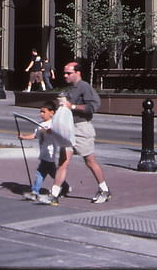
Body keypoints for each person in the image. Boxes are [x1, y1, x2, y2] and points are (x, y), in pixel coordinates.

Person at [39, 61, 112, 205]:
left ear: (78, 73)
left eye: (68, 73)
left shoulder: (84, 87)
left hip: (81, 128)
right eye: (64, 73)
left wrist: (72, 106)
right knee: (63, 161)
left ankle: (104, 190)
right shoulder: (69, 89)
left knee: (90, 161)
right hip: (68, 129)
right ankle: (54, 193)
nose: (65, 75)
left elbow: (94, 106)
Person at [18, 100, 60, 201]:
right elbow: (34, 135)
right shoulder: (39, 124)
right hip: (43, 153)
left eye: (43, 112)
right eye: (40, 112)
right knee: (54, 174)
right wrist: (23, 137)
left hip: (50, 154)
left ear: (51, 113)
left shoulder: (54, 124)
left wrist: (50, 131)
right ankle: (65, 187)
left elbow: (57, 133)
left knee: (40, 172)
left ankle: (35, 191)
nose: (41, 114)